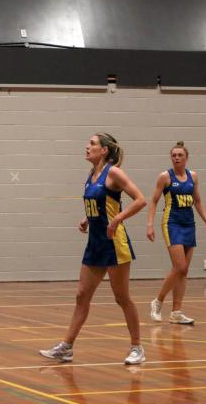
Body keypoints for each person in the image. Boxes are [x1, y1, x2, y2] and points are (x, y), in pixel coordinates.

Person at [39, 133, 147, 365]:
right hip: (95, 242)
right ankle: (66, 347)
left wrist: (117, 219)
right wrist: (87, 220)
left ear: (104, 150)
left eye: (92, 144)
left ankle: (137, 347)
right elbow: (100, 205)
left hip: (114, 243)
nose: (87, 147)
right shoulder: (91, 175)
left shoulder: (114, 172)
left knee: (121, 297)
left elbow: (140, 200)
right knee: (82, 295)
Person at [147, 141, 206, 325]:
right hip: (172, 224)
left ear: (186, 158)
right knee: (179, 267)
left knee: (184, 272)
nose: (176, 158)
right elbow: (153, 201)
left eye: (180, 155)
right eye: (174, 155)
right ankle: (158, 301)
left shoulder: (193, 176)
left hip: (189, 224)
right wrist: (150, 224)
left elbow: (198, 201)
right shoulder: (165, 177)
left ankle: (176, 312)